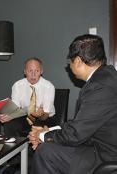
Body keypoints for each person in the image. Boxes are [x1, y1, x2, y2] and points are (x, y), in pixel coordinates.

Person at [28, 34, 117, 174]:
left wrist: (42, 136)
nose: (69, 66)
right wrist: (48, 132)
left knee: (46, 151)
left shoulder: (100, 86)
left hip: (105, 154)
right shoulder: (105, 77)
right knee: (49, 146)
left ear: (78, 61)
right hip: (95, 145)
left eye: (70, 61)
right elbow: (80, 123)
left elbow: (76, 133)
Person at [0, 57, 55, 137]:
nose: (33, 74)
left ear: (41, 72)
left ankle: (34, 149)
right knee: (9, 124)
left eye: (37, 71)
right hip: (25, 116)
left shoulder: (48, 86)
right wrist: (8, 116)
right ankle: (13, 148)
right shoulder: (17, 85)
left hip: (44, 119)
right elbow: (15, 110)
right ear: (25, 72)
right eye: (30, 71)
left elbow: (45, 116)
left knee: (37, 128)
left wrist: (40, 115)